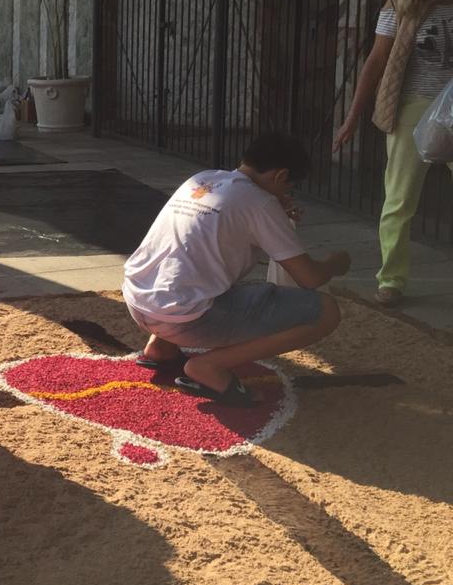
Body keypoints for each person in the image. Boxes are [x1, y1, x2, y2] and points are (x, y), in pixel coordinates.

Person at [122, 133, 350, 405]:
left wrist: (275, 211)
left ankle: (161, 346)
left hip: (138, 300)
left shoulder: (204, 179)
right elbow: (309, 278)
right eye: (289, 187)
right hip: (184, 318)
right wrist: (335, 263)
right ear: (280, 176)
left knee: (191, 269)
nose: (286, 195)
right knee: (325, 311)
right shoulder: (261, 203)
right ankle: (210, 366)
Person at [334, 0, 453, 308]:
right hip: (414, 108)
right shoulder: (402, 4)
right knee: (400, 198)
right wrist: (352, 116)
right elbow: (376, 61)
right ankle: (391, 279)